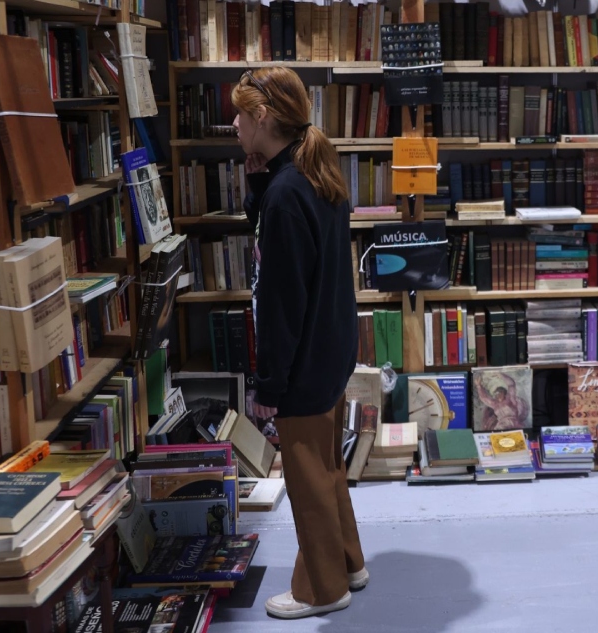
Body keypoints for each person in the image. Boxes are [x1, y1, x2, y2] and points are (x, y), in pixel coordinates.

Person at [232, 66, 367, 618]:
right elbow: (283, 245)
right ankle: (350, 564)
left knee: (307, 479)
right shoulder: (314, 170)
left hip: (305, 359)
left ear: (263, 117)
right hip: (333, 347)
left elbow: (280, 301)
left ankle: (323, 589)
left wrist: (270, 383)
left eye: (241, 115)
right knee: (327, 469)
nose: (234, 124)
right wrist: (259, 181)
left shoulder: (288, 192)